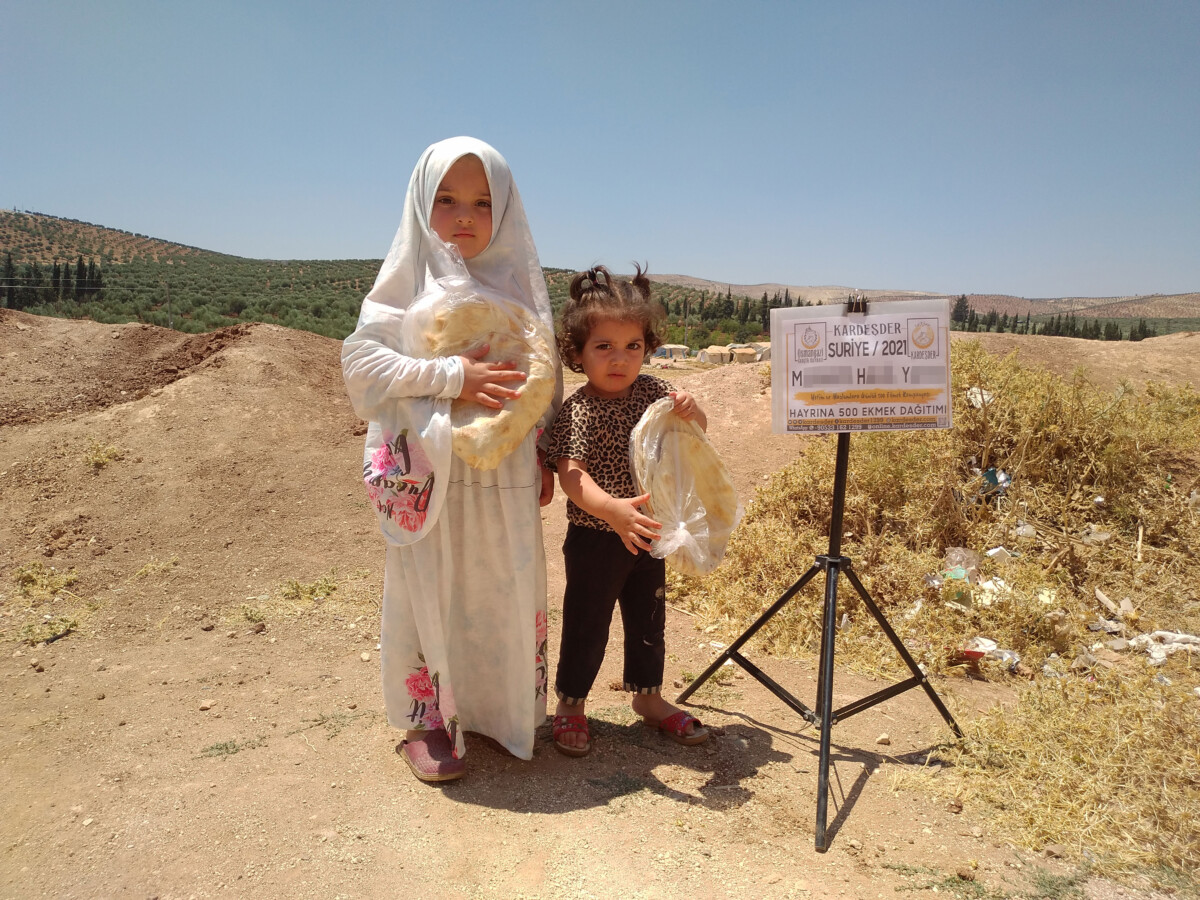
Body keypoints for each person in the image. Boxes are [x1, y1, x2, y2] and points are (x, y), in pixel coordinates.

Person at [342, 137, 561, 782]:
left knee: (500, 582)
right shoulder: (407, 284)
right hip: (432, 471)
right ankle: (427, 719)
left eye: (481, 201)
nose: (463, 216)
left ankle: (499, 710)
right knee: (429, 583)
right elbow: (363, 370)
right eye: (446, 199)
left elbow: (543, 376)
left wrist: (546, 446)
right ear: (420, 203)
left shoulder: (519, 286)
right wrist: (451, 377)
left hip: (506, 472)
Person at [543, 265, 709, 756]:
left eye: (632, 346)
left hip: (650, 532)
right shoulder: (579, 409)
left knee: (648, 618)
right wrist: (612, 510)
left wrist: (693, 409)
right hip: (598, 536)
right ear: (577, 353)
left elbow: (696, 435)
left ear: (648, 346)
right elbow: (571, 475)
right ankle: (571, 705)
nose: (620, 359)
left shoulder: (655, 393)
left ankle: (649, 698)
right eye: (604, 347)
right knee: (587, 620)